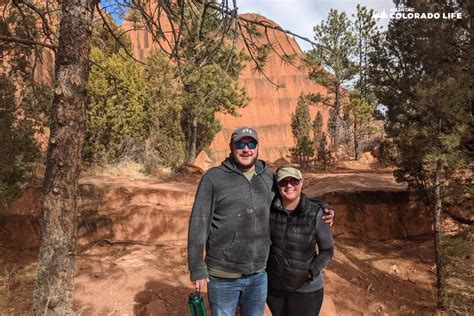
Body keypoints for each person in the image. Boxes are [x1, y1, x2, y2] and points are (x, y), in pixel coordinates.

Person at [187, 127, 334, 316]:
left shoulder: (267, 176)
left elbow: (290, 194)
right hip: (223, 275)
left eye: (251, 144)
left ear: (257, 147)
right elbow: (199, 222)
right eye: (240, 144)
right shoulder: (213, 179)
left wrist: (322, 207)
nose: (246, 149)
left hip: (258, 274)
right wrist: (197, 266)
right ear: (231, 147)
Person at [266, 165, 334, 316]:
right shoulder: (269, 211)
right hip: (275, 290)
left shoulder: (317, 214)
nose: (289, 185)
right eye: (284, 182)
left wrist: (311, 271)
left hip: (306, 290)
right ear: (277, 186)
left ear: (301, 182)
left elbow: (327, 250)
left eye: (294, 181)